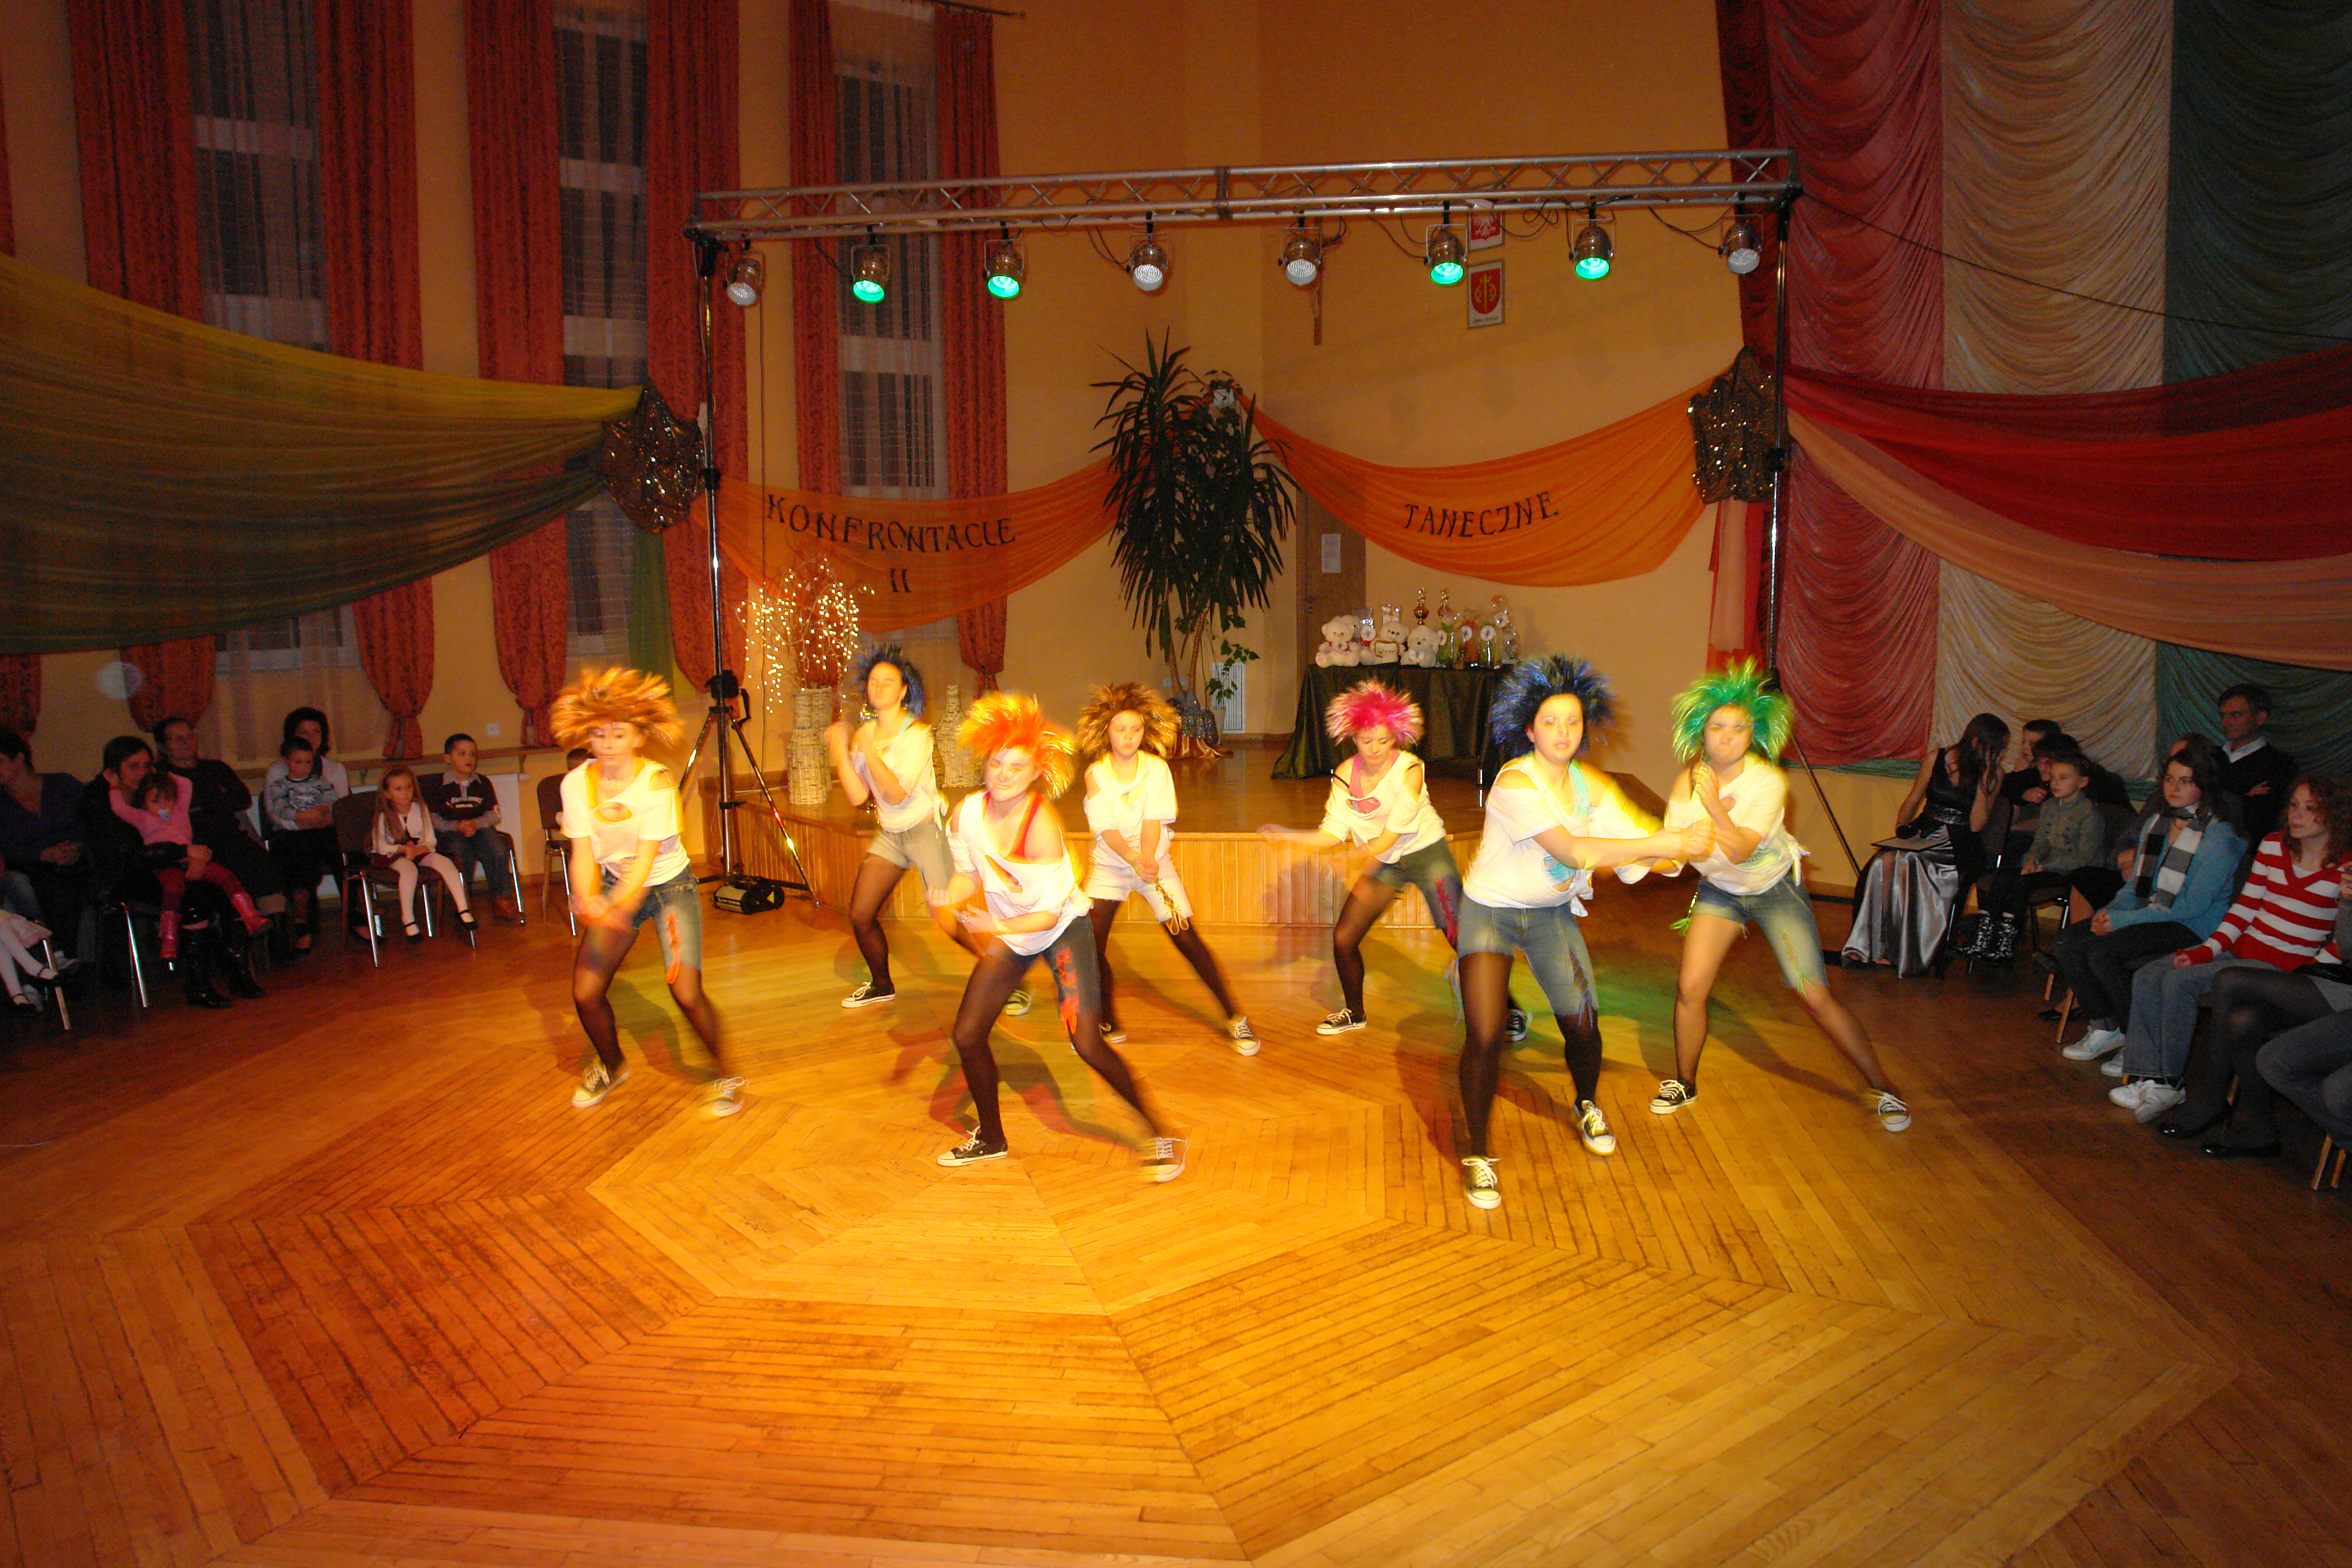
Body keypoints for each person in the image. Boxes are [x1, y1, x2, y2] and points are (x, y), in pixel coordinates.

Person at [1452, 657, 1703, 1212]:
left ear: (1585, 727)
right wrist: (1660, 845)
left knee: (1583, 1024)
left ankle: (1586, 1103)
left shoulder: (1592, 787)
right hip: (1490, 913)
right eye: (1550, 722)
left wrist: (1683, 848)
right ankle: (1477, 1152)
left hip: (1550, 916)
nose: (1563, 732)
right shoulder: (1514, 783)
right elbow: (1575, 851)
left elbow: (1638, 852)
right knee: (1486, 1035)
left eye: (1572, 721)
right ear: (1529, 730)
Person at [929, 691, 1183, 1181]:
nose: (1004, 774)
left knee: (1086, 1042)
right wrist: (949, 895)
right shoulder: (966, 814)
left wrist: (993, 926)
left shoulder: (1041, 826)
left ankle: (1160, 1133)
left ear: (1035, 773)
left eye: (1017, 767)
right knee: (967, 1034)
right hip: (1013, 933)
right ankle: (991, 1137)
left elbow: (1046, 918)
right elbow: (969, 875)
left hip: (1062, 930)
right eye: (997, 764)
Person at [1648, 662, 1911, 1132]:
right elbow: (1676, 853)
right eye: (1718, 727)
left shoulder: (1766, 782)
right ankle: (1684, 1082)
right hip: (1721, 892)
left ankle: (1883, 1087)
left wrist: (1712, 806)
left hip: (1775, 892)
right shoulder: (1686, 782)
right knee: (1690, 988)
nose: (1728, 738)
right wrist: (1644, 857)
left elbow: (1741, 848)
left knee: (1813, 993)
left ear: (1754, 733)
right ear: (1701, 731)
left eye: (1739, 728)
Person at [1259, 679, 1530, 1042]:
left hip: (1425, 852)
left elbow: (1390, 836)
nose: (1374, 749)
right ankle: (1354, 1013)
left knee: (1460, 937)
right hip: (1383, 860)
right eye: (1366, 740)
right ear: (1353, 737)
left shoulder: (1410, 770)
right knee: (1343, 938)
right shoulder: (1344, 776)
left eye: (1383, 741)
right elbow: (1332, 833)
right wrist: (1287, 834)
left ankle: (1509, 1009)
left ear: (1396, 738)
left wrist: (1356, 860)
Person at [554, 667, 741, 1117]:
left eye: (618, 734)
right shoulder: (576, 783)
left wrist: (611, 905)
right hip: (618, 885)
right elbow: (582, 854)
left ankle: (725, 1074)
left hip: (670, 887)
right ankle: (612, 1065)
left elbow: (643, 865)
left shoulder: (656, 783)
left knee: (685, 991)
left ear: (639, 736)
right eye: (599, 734)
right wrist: (585, 896)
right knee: (585, 992)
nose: (607, 744)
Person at [2108, 775, 2349, 1124]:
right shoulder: (2273, 845)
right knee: (2150, 974)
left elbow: (2344, 940)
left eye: (2309, 809)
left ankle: (2167, 1082)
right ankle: (2149, 1075)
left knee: (2179, 982)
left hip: (2284, 969)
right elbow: (2245, 908)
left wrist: (2309, 970)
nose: (2296, 815)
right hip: (2243, 948)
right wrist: (2208, 950)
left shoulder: (2345, 867)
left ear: (2334, 815)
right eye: (2294, 805)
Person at [1077, 681, 1255, 1053]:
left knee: (1185, 936)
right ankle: (1107, 1017)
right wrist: (1131, 859)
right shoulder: (1096, 774)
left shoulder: (1156, 769)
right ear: (1106, 732)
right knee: (1090, 944)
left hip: (1153, 863)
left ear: (1145, 731)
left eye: (1136, 729)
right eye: (1120, 729)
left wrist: (1146, 859)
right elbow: (1106, 828)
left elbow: (1152, 822)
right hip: (1111, 867)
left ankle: (1234, 1015)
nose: (1128, 736)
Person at [2047, 743, 2245, 1063]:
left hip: (2192, 926)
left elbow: (2191, 907)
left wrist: (2123, 921)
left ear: (2204, 786)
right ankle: (2105, 1026)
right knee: (2067, 942)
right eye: (2170, 779)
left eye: (2186, 781)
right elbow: (2136, 886)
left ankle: (2137, 1039)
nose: (2174, 788)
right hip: (2152, 913)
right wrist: (2110, 912)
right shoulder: (2157, 823)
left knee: (2103, 952)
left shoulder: (2219, 837)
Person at [2161, 868, 2352, 1157]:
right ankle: (2261, 1130)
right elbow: (2349, 948)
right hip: (2332, 981)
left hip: (2339, 989)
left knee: (2230, 980)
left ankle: (2212, 1097)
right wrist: (2348, 903)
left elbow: (2339, 953)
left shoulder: (2341, 861)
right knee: (2243, 1021)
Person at [825, 645, 975, 1010]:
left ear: (904, 690)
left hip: (925, 832)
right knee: (860, 914)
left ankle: (1004, 975)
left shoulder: (917, 736)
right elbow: (859, 796)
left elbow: (894, 793)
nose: (878, 686)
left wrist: (867, 750)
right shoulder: (866, 733)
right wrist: (841, 750)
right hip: (891, 835)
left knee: (949, 916)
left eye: (888, 681)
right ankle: (881, 985)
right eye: (874, 680)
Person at [80, 736, 256, 1007]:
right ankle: (198, 985)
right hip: (129, 876)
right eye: (133, 766)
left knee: (226, 888)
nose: (142, 773)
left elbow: (184, 828)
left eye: (146, 766)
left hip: (172, 866)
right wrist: (184, 853)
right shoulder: (100, 802)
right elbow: (126, 855)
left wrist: (198, 855)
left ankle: (238, 972)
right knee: (194, 901)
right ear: (113, 769)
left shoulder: (156, 791)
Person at [1841, 713, 2009, 978]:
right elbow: (1913, 799)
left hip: (1960, 842)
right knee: (1882, 862)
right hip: (1926, 828)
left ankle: (1905, 950)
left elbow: (1977, 825)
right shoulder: (1938, 757)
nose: (1997, 755)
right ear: (1976, 742)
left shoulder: (1994, 774)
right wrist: (1901, 827)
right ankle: (1873, 945)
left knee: (1909, 863)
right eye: (1994, 748)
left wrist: (1982, 781)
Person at [1970, 748, 2121, 964]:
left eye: (2064, 778)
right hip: (2044, 867)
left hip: (2071, 872)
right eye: (2053, 777)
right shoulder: (2049, 807)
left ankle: (2005, 944)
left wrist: (2044, 866)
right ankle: (1983, 938)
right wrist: (2031, 860)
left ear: (2082, 782)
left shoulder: (2090, 814)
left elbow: (2082, 857)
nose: (2055, 783)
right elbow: (2040, 841)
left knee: (2022, 884)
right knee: (2002, 877)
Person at [113, 766, 271, 961]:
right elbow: (119, 808)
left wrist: (165, 773)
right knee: (173, 890)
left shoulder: (180, 812)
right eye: (155, 801)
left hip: (193, 860)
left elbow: (186, 785)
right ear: (144, 802)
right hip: (169, 864)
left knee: (225, 876)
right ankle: (169, 938)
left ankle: (251, 916)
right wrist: (114, 787)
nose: (163, 805)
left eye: (168, 799)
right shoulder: (142, 817)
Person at [152, 716, 286, 927]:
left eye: (189, 736)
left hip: (231, 837)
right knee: (225, 873)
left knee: (264, 867)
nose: (186, 742)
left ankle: (275, 933)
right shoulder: (160, 776)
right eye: (177, 739)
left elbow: (242, 798)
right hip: (194, 843)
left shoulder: (215, 768)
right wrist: (214, 803)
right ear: (163, 746)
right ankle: (239, 930)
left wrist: (206, 806)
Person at [0, 727, 92, 961]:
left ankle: (67, 955)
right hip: (32, 868)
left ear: (18, 759)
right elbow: (7, 850)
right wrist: (41, 855)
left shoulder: (63, 785)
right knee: (25, 885)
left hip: (78, 862)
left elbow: (93, 822)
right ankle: (57, 951)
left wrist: (78, 846)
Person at [370, 765, 475, 942]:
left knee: (446, 863)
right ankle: (408, 919)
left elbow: (431, 840)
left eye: (408, 787)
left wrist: (419, 850)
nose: (405, 793)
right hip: (394, 855)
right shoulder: (384, 816)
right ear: (387, 794)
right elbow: (381, 846)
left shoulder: (421, 809)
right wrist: (403, 849)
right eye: (398, 789)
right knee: (409, 870)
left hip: (419, 851)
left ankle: (463, 909)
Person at [426, 733, 524, 925]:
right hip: (450, 832)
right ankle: (462, 905)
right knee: (462, 851)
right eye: (462, 754)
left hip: (479, 828)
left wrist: (475, 824)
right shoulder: (437, 785)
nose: (469, 759)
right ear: (447, 758)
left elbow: (494, 815)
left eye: (472, 754)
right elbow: (433, 819)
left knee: (497, 848)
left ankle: (502, 901)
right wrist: (457, 826)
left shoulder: (483, 783)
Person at [263, 737, 342, 953]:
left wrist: (322, 813)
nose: (304, 767)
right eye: (298, 762)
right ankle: (304, 926)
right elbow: (280, 809)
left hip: (320, 828)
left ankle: (356, 915)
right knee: (300, 864)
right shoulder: (279, 785)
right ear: (286, 761)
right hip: (294, 832)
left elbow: (331, 800)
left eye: (308, 762)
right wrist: (302, 817)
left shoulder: (320, 781)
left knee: (343, 852)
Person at [2214, 683, 2296, 843]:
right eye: (2223, 715)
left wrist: (2218, 796)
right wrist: (2244, 796)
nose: (2226, 722)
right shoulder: (2210, 756)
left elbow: (2261, 818)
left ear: (2260, 718)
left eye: (2236, 715)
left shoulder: (2280, 765)